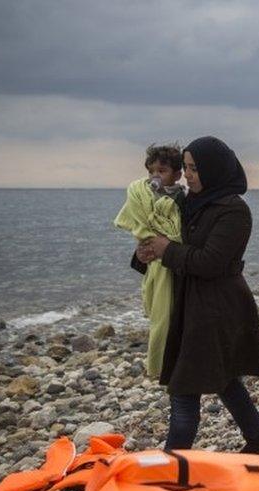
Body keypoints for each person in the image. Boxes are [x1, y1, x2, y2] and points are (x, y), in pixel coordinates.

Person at [135, 136, 259, 454]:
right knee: (224, 380)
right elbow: (166, 241)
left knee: (183, 389)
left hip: (216, 309)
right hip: (187, 306)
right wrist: (145, 254)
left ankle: (171, 465)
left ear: (214, 169)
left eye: (194, 168)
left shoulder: (234, 211)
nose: (188, 174)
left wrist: (166, 249)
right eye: (185, 167)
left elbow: (210, 262)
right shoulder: (183, 204)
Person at [116, 144, 184, 379]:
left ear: (177, 174)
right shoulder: (144, 196)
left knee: (171, 320)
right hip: (156, 267)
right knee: (159, 316)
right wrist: (143, 250)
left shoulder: (183, 200)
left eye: (162, 171)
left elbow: (179, 234)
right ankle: (162, 367)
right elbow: (142, 226)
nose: (155, 176)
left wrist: (167, 244)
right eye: (151, 171)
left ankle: (166, 365)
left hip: (178, 271)